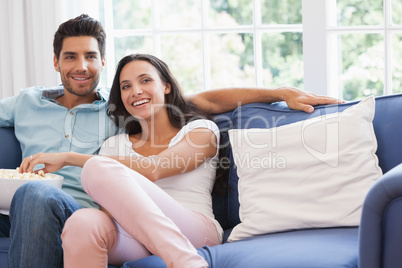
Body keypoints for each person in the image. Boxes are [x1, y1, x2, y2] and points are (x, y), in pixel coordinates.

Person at [0, 14, 341, 268]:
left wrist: (279, 92)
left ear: (165, 85)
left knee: (97, 170)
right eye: (127, 86)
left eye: (145, 81)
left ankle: (185, 261)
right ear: (56, 62)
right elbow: (112, 206)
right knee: (84, 222)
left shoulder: (199, 130)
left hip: (194, 227)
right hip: (133, 229)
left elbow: (154, 167)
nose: (135, 91)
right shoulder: (115, 140)